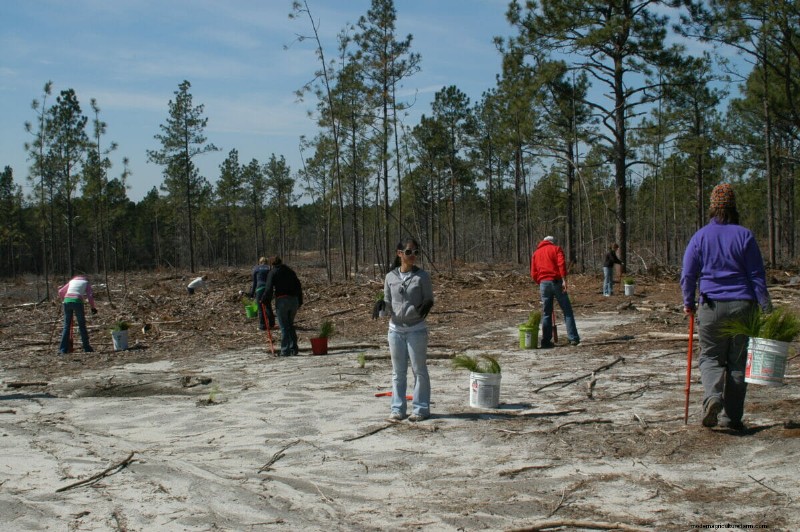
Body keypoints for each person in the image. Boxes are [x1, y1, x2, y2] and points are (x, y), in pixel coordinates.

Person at [681, 183, 771, 431]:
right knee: (738, 362)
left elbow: (688, 275)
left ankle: (712, 398)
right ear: (733, 208)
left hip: (711, 307)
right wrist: (766, 307)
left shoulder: (700, 237)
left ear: (712, 209)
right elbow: (756, 276)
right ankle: (731, 418)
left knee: (710, 357)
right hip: (744, 306)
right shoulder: (745, 235)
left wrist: (688, 302)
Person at [384, 238, 434, 422]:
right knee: (398, 372)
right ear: (399, 254)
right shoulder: (390, 277)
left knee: (419, 370)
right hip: (395, 330)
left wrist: (427, 304)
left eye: (415, 252)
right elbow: (388, 301)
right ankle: (398, 409)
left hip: (416, 330)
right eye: (408, 252)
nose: (412, 256)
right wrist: (381, 305)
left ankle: (421, 409)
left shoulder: (422, 276)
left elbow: (429, 298)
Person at [530, 235, 580, 347]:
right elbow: (561, 264)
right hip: (556, 282)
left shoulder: (536, 253)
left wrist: (540, 282)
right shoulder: (556, 249)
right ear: (552, 242)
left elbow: (533, 273)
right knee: (567, 311)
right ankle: (573, 338)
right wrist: (564, 280)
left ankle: (546, 341)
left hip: (543, 283)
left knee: (546, 313)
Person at [259, 256, 303, 356]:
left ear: (272, 264)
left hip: (282, 300)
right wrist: (300, 301)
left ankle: (285, 350)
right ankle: (294, 349)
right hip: (293, 300)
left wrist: (264, 300)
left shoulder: (273, 272)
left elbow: (268, 288)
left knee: (284, 326)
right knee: (290, 325)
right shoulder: (290, 271)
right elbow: (299, 285)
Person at [58, 274, 98, 354]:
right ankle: (86, 348)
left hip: (67, 301)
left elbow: (61, 291)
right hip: (77, 302)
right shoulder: (86, 283)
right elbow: (90, 296)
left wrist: (63, 300)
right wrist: (93, 307)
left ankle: (62, 349)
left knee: (66, 326)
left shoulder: (72, 281)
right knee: (82, 325)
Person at [249, 257, 273, 330]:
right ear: (266, 262)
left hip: (259, 289)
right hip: (268, 289)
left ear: (260, 262)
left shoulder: (256, 268)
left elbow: (255, 283)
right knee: (268, 306)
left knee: (260, 308)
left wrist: (252, 293)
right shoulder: (269, 268)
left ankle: (262, 326)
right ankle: (272, 323)